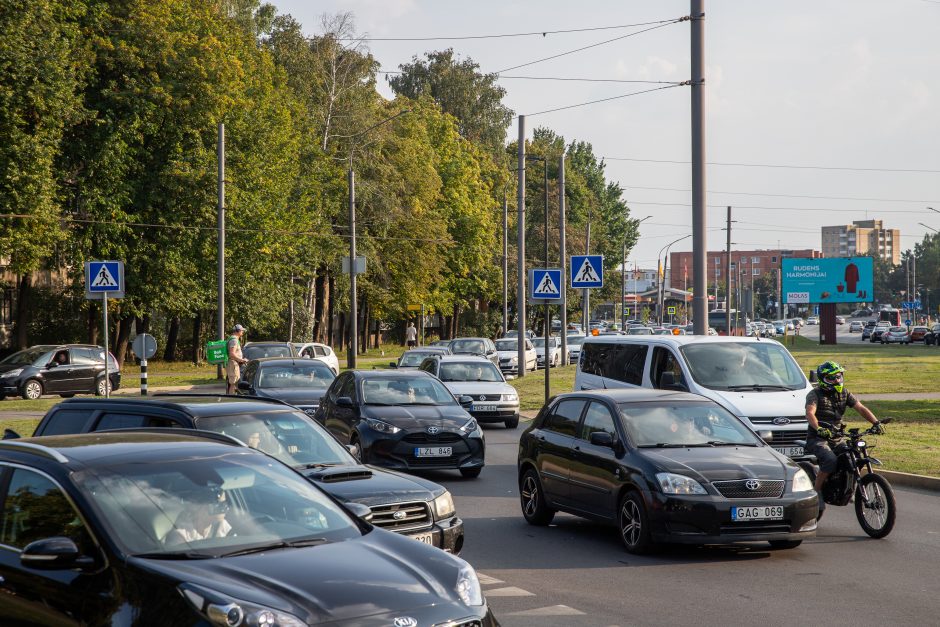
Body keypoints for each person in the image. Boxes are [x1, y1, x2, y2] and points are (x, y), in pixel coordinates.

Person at [805, 361, 883, 512]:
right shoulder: (814, 394)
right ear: (823, 379)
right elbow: (810, 413)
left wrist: (876, 422)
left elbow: (860, 408)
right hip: (818, 438)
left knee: (853, 456)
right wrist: (819, 428)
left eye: (839, 376)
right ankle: (816, 492)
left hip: (837, 437)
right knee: (830, 459)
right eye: (832, 378)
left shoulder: (844, 393)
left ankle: (851, 489)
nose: (836, 381)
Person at [163, 486, 232, 547]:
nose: (226, 507)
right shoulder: (180, 536)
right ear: (202, 507)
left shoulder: (222, 525)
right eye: (220, 505)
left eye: (225, 503)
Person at [226, 324, 248, 394]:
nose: (242, 332)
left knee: (235, 383)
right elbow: (232, 354)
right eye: (242, 330)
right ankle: (232, 400)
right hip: (233, 364)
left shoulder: (234, 339)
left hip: (234, 363)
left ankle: (235, 397)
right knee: (233, 383)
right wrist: (242, 360)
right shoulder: (234, 340)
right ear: (238, 331)